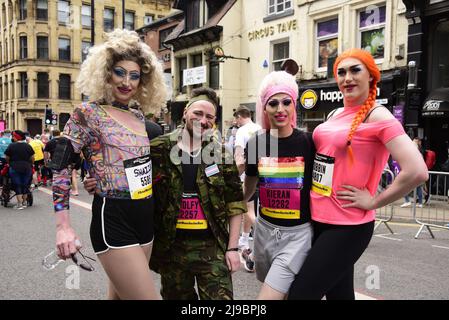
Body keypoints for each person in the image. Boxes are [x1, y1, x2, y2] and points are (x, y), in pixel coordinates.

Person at [288, 48, 428, 300]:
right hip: (318, 219)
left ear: (371, 77)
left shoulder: (377, 114)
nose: (347, 78)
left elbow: (417, 170)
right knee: (339, 295)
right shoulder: (334, 114)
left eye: (355, 70)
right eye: (341, 72)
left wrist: (374, 201)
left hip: (348, 226)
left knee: (300, 294)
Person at [51, 29, 167, 300]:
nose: (127, 82)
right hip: (114, 218)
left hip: (144, 219)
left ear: (143, 81)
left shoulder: (140, 118)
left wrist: (99, 176)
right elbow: (60, 165)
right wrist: (63, 227)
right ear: (106, 73)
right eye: (119, 72)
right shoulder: (88, 113)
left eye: (134, 75)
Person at [149, 87, 246, 300]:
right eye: (198, 114)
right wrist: (95, 180)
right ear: (185, 112)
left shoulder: (221, 154)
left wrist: (232, 248)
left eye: (209, 117)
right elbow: (133, 181)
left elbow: (235, 203)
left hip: (212, 247)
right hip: (172, 248)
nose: (203, 121)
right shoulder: (159, 149)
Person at [243, 71, 314, 299]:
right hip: (263, 232)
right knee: (276, 290)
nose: (280, 109)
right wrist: (237, 204)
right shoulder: (257, 143)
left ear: (294, 106)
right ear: (264, 108)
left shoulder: (309, 142)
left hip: (297, 235)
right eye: (273, 103)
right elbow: (250, 185)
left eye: (286, 102)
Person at [233, 105, 262, 272]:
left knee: (248, 210)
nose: (235, 121)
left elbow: (239, 156)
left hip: (247, 177)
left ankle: (261, 238)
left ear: (239, 116)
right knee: (251, 210)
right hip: (264, 176)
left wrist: (235, 175)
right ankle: (244, 240)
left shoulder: (242, 131)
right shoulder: (260, 128)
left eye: (236, 118)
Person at [4, 130, 35, 209]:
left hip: (14, 167)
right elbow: (32, 158)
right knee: (25, 185)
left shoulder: (11, 146)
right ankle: (24, 202)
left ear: (16, 137)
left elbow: (7, 157)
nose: (12, 138)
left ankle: (19, 203)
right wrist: (30, 164)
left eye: (13, 136)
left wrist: (9, 163)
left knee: (17, 184)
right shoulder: (28, 146)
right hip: (27, 167)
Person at [401, 137, 425, 208]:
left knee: (404, 186)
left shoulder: (413, 152)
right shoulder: (420, 153)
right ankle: (420, 203)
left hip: (412, 173)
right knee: (418, 188)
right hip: (418, 172)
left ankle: (407, 201)